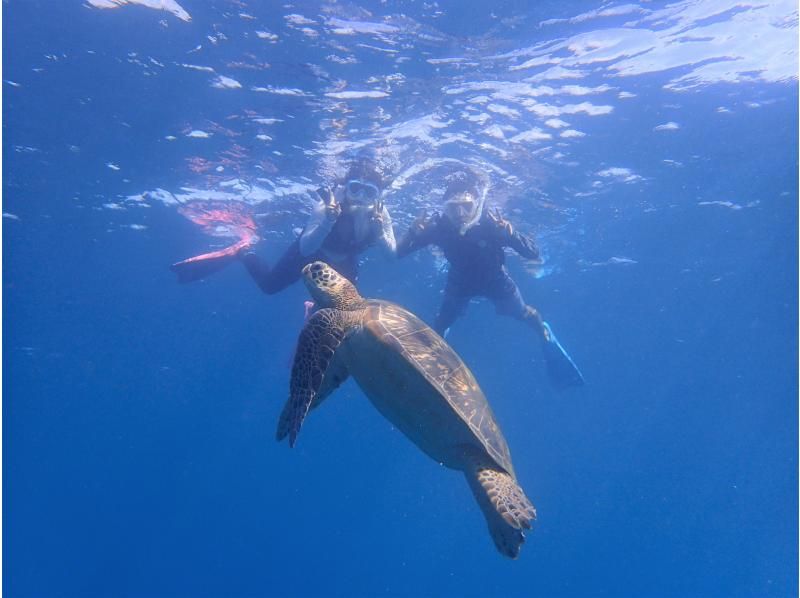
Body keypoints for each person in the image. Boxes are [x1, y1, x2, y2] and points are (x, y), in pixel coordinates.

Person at [397, 170, 584, 389]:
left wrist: (510, 233)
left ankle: (545, 334)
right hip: (460, 283)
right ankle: (432, 360)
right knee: (441, 323)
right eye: (452, 207)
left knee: (524, 314)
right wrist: (412, 233)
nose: (459, 213)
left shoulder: (491, 225)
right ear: (444, 208)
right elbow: (399, 254)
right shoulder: (439, 228)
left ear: (477, 204)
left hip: (496, 280)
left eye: (466, 206)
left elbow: (533, 254)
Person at [171, 155, 396, 292]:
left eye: (369, 192)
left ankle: (313, 313)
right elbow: (306, 248)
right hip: (311, 252)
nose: (359, 198)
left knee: (345, 310)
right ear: (345, 187)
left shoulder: (379, 214)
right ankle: (243, 252)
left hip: (344, 259)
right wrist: (328, 221)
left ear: (377, 196)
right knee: (269, 286)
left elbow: (391, 256)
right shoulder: (328, 205)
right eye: (355, 188)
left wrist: (380, 234)